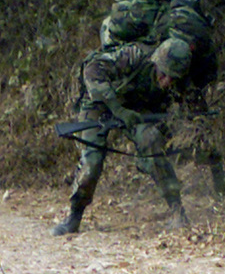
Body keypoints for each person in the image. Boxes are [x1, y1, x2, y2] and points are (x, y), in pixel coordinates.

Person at [50, 36, 196, 236]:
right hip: (101, 102)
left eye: (173, 78)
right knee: (92, 162)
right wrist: (117, 109)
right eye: (164, 74)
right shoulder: (134, 55)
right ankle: (74, 217)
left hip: (136, 109)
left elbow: (191, 105)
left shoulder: (180, 77)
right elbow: (92, 70)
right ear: (156, 62)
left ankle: (177, 211)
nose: (167, 81)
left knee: (151, 141)